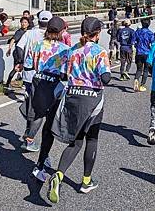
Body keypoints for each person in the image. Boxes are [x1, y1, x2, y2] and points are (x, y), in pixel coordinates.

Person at [48, 17, 111, 203]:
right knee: (92, 138)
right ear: (97, 34)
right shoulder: (100, 52)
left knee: (75, 141)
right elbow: (106, 78)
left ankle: (58, 175)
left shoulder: (73, 51)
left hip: (73, 96)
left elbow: (62, 74)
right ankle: (86, 181)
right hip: (92, 99)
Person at [24, 17, 71, 182]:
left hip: (38, 82)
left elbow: (28, 64)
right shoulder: (65, 49)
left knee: (38, 114)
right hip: (55, 85)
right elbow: (66, 73)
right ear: (60, 32)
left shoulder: (37, 45)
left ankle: (31, 139)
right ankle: (42, 161)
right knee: (50, 124)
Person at [16, 10, 52, 152]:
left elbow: (19, 47)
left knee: (31, 103)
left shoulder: (30, 33)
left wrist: (20, 61)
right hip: (43, 77)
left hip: (28, 75)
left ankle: (28, 130)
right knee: (39, 108)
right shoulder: (50, 36)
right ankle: (30, 136)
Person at [5, 16, 30, 90]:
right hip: (18, 53)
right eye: (22, 22)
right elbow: (13, 40)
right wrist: (9, 49)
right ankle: (7, 83)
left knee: (26, 68)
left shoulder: (29, 32)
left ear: (28, 24)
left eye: (25, 22)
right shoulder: (19, 32)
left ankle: (24, 83)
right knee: (16, 68)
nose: (23, 24)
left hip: (25, 53)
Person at [133, 18, 154, 92]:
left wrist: (136, 46)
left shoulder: (137, 32)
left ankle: (136, 79)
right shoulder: (150, 33)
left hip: (139, 52)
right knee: (146, 70)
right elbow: (153, 43)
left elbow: (133, 42)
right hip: (147, 53)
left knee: (139, 69)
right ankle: (142, 85)